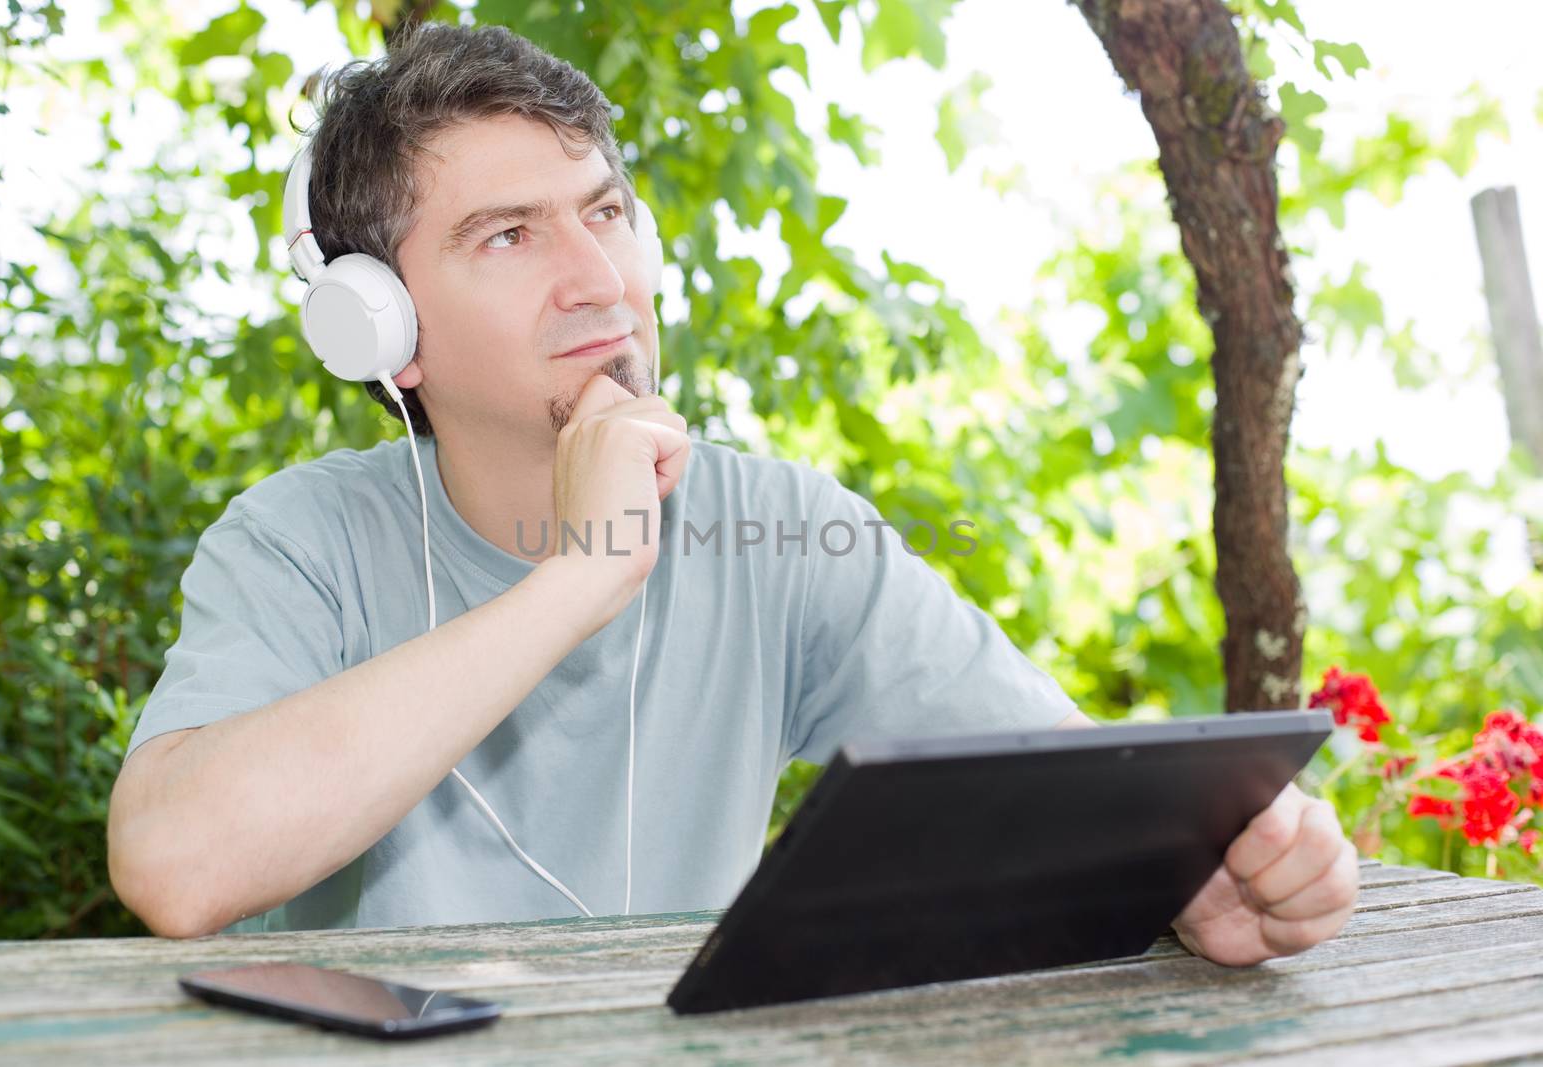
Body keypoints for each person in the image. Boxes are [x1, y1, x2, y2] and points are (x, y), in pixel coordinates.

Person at [106, 22, 1357, 966]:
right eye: (509, 235)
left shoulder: (785, 533)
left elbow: (1082, 797)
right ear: (382, 333)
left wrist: (1202, 863)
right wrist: (580, 577)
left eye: (605, 212)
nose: (599, 279)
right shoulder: (300, 541)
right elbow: (176, 863)